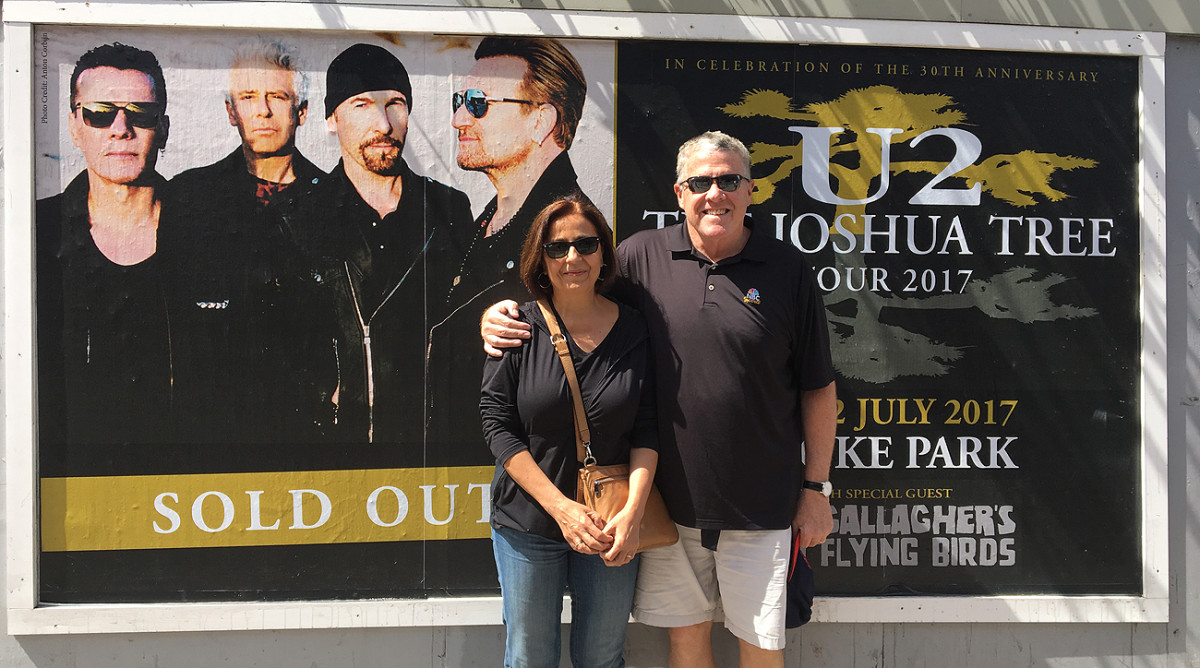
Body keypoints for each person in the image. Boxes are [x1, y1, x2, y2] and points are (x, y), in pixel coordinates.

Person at [482, 131, 838, 667]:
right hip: (669, 505)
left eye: (728, 180)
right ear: (679, 192)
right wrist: (497, 317)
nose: (714, 193)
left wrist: (816, 488)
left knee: (763, 646)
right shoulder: (639, 259)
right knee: (683, 641)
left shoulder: (787, 270)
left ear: (751, 190)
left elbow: (818, 387)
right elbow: (571, 304)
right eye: (700, 182)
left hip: (764, 503)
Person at [480, 197, 658, 668]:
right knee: (530, 658)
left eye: (585, 244)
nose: (572, 258)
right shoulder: (517, 326)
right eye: (557, 248)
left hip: (610, 524)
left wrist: (634, 514)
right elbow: (497, 426)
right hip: (529, 524)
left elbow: (648, 426)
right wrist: (561, 510)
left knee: (602, 658)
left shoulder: (635, 328)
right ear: (540, 258)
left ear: (604, 253)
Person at [291, 42, 472, 447]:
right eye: (361, 105)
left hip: (430, 442)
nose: (384, 124)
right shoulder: (299, 216)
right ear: (331, 119)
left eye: (395, 103)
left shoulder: (447, 209)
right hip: (338, 445)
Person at [427, 36, 591, 463]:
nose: (459, 118)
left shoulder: (567, 233)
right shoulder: (487, 218)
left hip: (528, 479)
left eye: (479, 103)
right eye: (460, 100)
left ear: (541, 121)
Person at [167, 39, 334, 443]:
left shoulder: (334, 200)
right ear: (231, 111)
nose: (262, 110)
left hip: (306, 426)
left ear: (302, 111)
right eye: (248, 97)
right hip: (207, 426)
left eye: (277, 96)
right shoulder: (189, 195)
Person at [36, 42, 176, 448]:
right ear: (74, 127)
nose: (120, 129)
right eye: (99, 113)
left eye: (141, 114)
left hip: (185, 491)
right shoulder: (35, 234)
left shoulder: (208, 234)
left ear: (163, 128)